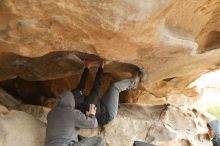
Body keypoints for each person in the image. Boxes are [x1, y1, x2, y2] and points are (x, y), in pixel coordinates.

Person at [72, 60, 142, 125]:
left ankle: (115, 103)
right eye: (80, 93)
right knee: (114, 87)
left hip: (100, 106)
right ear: (80, 97)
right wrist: (101, 67)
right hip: (108, 113)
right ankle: (133, 83)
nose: (81, 91)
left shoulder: (75, 104)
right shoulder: (90, 102)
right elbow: (97, 85)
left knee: (102, 94)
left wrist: (87, 68)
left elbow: (81, 85)